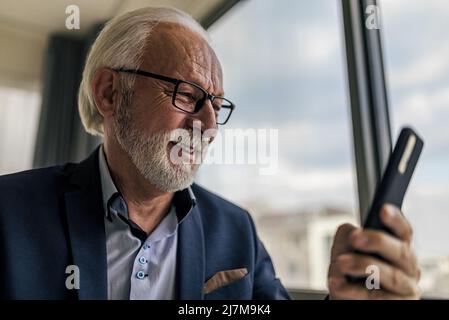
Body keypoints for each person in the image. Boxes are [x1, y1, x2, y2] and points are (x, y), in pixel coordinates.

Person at [0, 6, 420, 300]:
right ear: (110, 93)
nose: (209, 126)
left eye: (217, 106)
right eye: (188, 95)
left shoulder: (236, 231)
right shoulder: (10, 210)